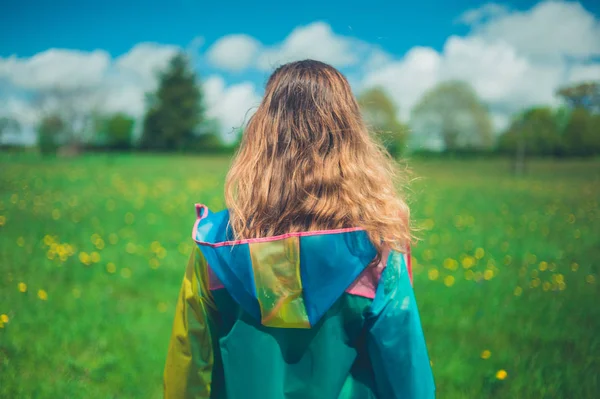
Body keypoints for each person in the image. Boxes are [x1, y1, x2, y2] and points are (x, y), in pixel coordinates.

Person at [163, 59, 435, 399]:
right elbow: (406, 374)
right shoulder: (377, 249)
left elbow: (188, 368)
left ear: (262, 134)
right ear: (350, 138)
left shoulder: (213, 243)